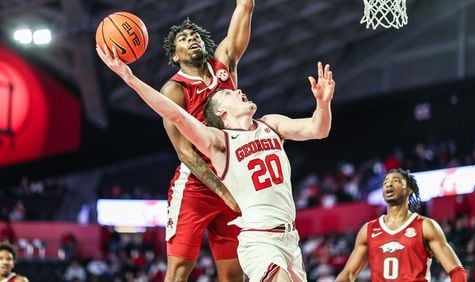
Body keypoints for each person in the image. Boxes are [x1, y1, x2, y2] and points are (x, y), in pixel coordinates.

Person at [96, 42, 334, 281]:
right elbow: (174, 114)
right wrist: (129, 77)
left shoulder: (272, 124)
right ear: (221, 113)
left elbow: (317, 129)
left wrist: (323, 105)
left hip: (291, 239)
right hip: (260, 241)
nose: (238, 90)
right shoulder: (219, 142)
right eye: (229, 93)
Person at [159, 1, 254, 281]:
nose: (191, 40)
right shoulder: (174, 89)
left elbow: (245, 7)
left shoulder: (224, 64)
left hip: (232, 178)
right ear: (175, 55)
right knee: (178, 271)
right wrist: (223, 192)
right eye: (183, 39)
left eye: (195, 36)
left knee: (234, 275)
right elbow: (185, 152)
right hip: (195, 188)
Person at [336, 168, 467, 282]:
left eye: (396, 181)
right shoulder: (368, 230)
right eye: (385, 182)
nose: (389, 185)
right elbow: (348, 274)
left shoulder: (425, 226)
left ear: (409, 189)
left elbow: (457, 272)